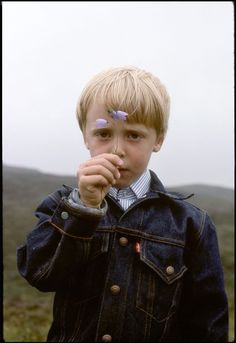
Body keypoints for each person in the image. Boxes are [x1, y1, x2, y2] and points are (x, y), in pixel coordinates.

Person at [17, 66, 228, 342]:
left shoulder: (191, 224)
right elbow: (39, 274)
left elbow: (207, 321)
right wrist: (84, 209)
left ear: (159, 139)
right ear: (85, 136)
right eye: (104, 134)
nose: (117, 149)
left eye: (134, 135)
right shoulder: (62, 206)